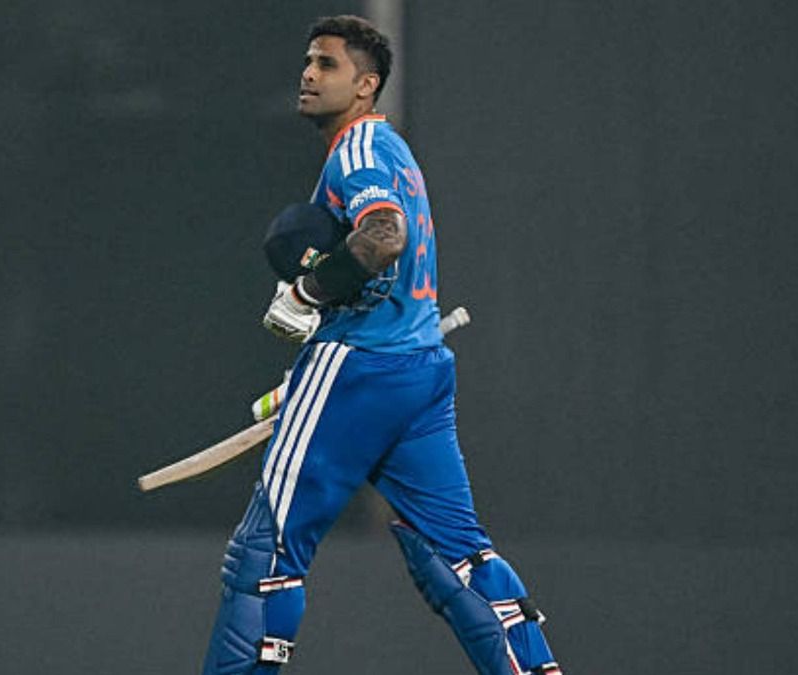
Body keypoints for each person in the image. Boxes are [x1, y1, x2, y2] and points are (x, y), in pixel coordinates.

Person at [201, 15, 562, 675]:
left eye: (328, 65)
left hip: (360, 367)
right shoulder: (393, 151)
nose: (309, 74)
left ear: (366, 85)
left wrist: (306, 295)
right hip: (417, 369)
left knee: (264, 556)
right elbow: (385, 266)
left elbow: (383, 237)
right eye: (308, 61)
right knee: (459, 558)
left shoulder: (357, 151)